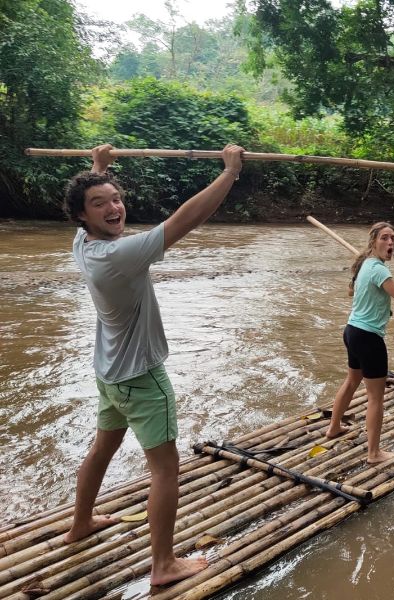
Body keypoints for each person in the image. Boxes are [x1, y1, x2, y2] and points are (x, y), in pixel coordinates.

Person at [62, 142, 244, 587]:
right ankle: (163, 564)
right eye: (99, 204)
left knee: (101, 448)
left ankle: (80, 523)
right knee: (165, 469)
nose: (113, 208)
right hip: (142, 378)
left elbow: (90, 199)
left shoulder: (83, 243)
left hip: (109, 375)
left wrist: (96, 170)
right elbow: (185, 220)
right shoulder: (119, 256)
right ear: (83, 215)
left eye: (116, 198)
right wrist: (229, 173)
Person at [324, 222, 394, 464]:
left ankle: (333, 428)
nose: (391, 243)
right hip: (368, 338)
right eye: (385, 238)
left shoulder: (366, 265)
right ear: (373, 241)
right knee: (376, 397)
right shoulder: (379, 271)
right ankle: (374, 453)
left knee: (352, 381)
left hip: (352, 331)